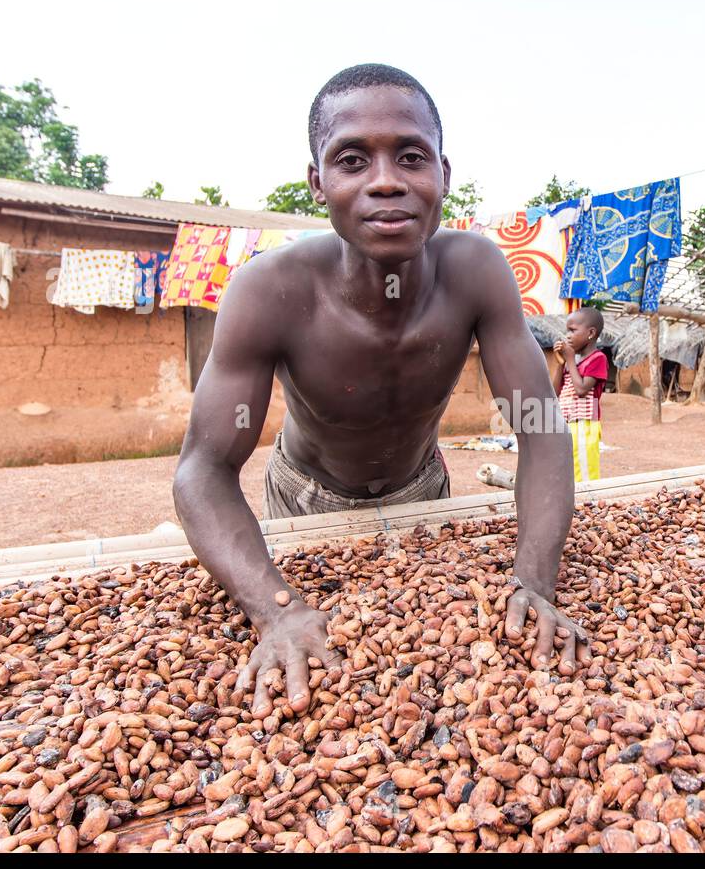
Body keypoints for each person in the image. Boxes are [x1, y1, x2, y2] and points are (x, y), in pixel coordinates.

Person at [172, 64, 589, 719]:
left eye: (411, 156)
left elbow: (540, 429)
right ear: (318, 183)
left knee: (428, 690)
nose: (386, 180)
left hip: (422, 489)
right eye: (352, 160)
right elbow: (202, 469)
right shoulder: (268, 292)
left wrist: (534, 582)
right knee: (325, 702)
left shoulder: (477, 273)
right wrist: (272, 608)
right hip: (305, 496)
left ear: (443, 176)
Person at [552, 308, 608, 482]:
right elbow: (554, 393)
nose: (567, 335)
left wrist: (569, 359)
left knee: (584, 475)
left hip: (584, 425)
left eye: (573, 330)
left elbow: (582, 390)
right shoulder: (572, 363)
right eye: (567, 330)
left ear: (591, 333)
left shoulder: (598, 358)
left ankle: (587, 507)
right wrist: (561, 364)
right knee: (568, 472)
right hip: (567, 424)